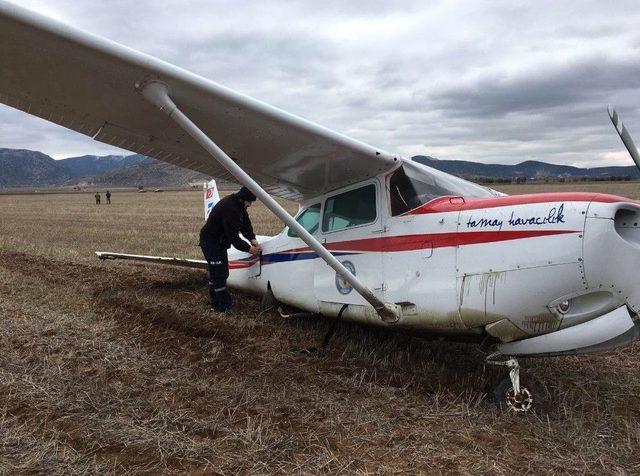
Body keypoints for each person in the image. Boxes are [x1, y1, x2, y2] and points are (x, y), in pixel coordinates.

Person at [199, 186, 261, 312]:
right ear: (243, 199)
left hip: (219, 243)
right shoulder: (230, 208)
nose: (250, 205)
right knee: (220, 274)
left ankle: (215, 303)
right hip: (211, 242)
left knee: (217, 272)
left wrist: (252, 238)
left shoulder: (239, 205)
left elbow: (245, 224)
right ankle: (224, 306)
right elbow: (233, 238)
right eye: (249, 202)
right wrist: (250, 249)